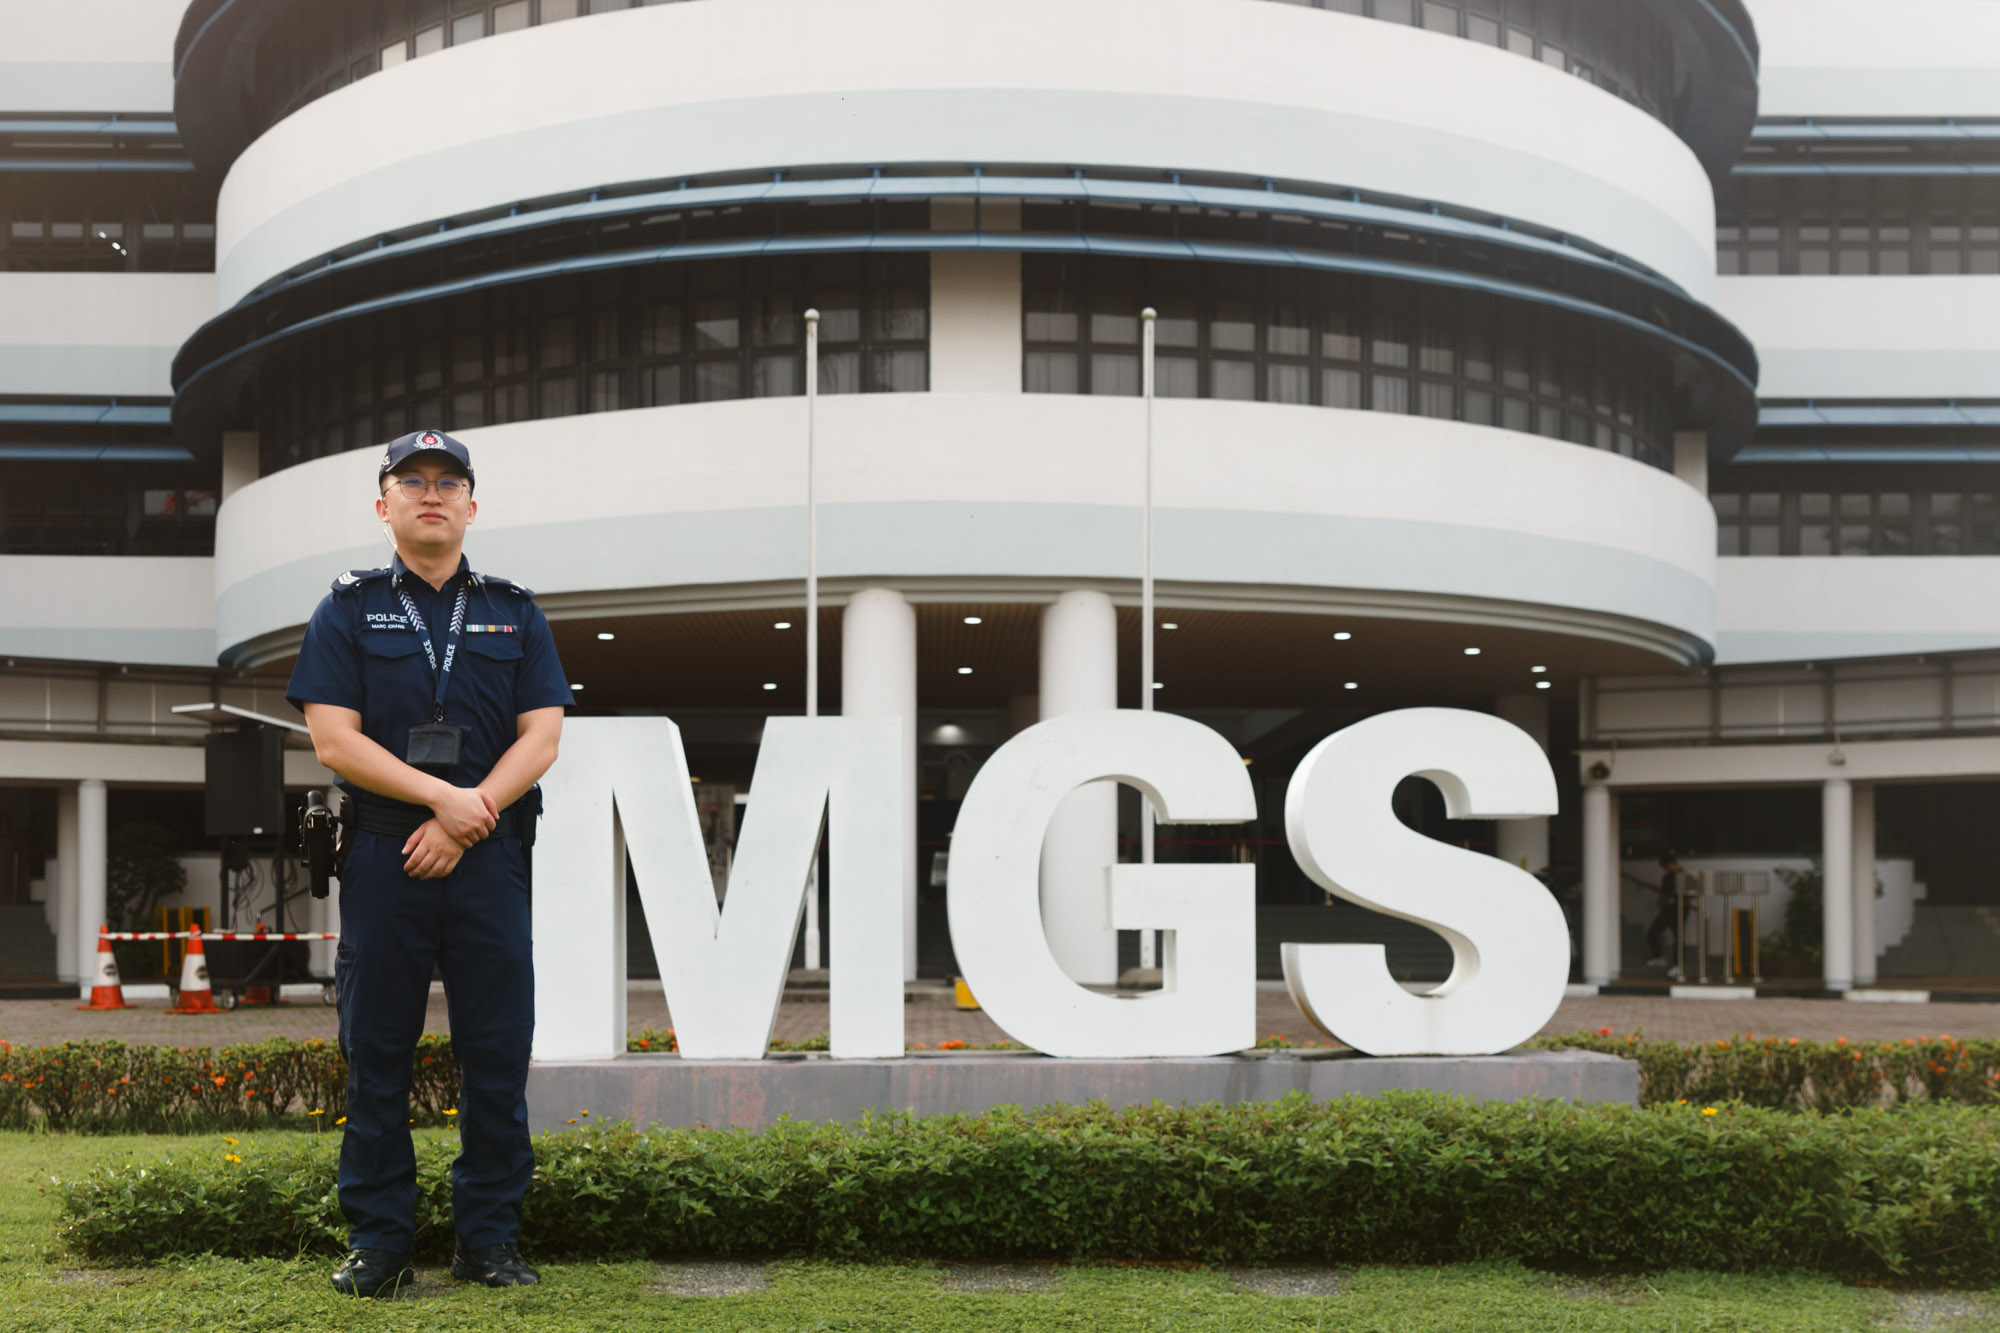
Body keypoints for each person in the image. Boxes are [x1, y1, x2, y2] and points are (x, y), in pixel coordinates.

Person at [288, 430, 570, 1298]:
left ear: (472, 505)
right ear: (385, 506)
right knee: (377, 1052)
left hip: (488, 860)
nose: (431, 492)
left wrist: (466, 815)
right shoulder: (348, 608)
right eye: (412, 481)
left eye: (450, 481)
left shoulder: (515, 610)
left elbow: (544, 735)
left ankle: (489, 1240)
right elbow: (334, 739)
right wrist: (440, 800)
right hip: (381, 854)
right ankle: (379, 1241)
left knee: (495, 1051)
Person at [1644, 854, 1688, 971]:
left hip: (1679, 909)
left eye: (1667, 866)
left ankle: (1678, 965)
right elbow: (1664, 893)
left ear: (1673, 863)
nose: (1666, 868)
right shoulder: (1667, 877)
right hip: (1667, 909)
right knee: (1653, 932)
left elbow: (1692, 893)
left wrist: (1682, 900)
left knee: (1678, 937)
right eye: (1664, 867)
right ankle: (1659, 957)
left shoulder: (1684, 876)